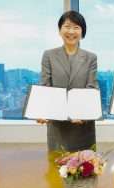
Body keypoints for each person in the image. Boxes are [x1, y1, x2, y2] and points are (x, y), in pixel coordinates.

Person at [38, 11, 98, 152]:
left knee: (86, 169)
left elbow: (91, 87)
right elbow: (45, 86)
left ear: (82, 32)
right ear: (60, 30)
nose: (71, 31)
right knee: (56, 169)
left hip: (83, 125)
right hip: (58, 127)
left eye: (76, 27)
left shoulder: (91, 58)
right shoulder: (49, 55)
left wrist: (83, 114)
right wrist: (42, 111)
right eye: (67, 26)